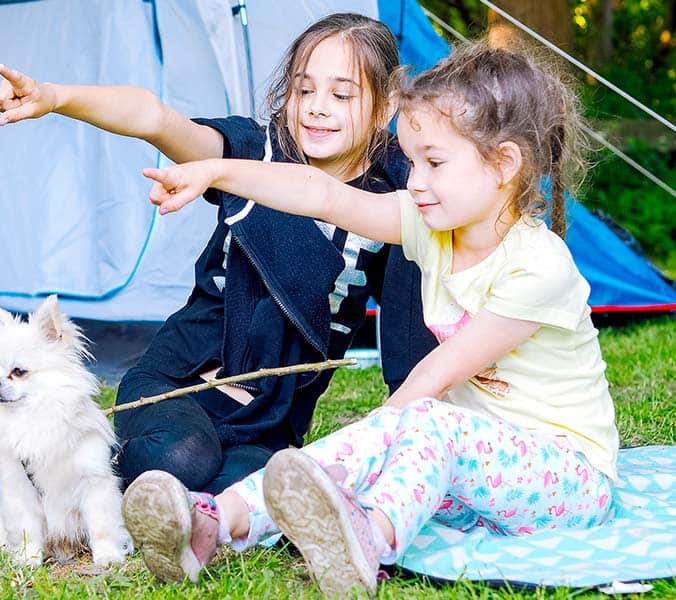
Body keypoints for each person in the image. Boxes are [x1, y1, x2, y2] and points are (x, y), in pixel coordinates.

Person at [0, 13, 437, 539]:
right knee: (182, 456)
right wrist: (56, 98)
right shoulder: (255, 152)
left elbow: (415, 332)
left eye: (341, 95)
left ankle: (112, 506)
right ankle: (19, 485)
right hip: (179, 385)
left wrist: (408, 441)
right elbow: (155, 117)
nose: (317, 109)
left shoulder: (401, 193)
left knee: (252, 496)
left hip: (270, 421)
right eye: (303, 89)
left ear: (386, 101)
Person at [133, 41, 619, 595]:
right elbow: (321, 194)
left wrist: (370, 453)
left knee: (416, 420)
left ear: (505, 164)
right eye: (411, 161)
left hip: (565, 482)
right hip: (468, 479)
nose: (413, 180)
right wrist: (215, 172)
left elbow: (434, 379)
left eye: (434, 162)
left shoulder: (540, 266)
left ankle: (371, 539)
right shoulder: (433, 225)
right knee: (341, 455)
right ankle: (216, 521)